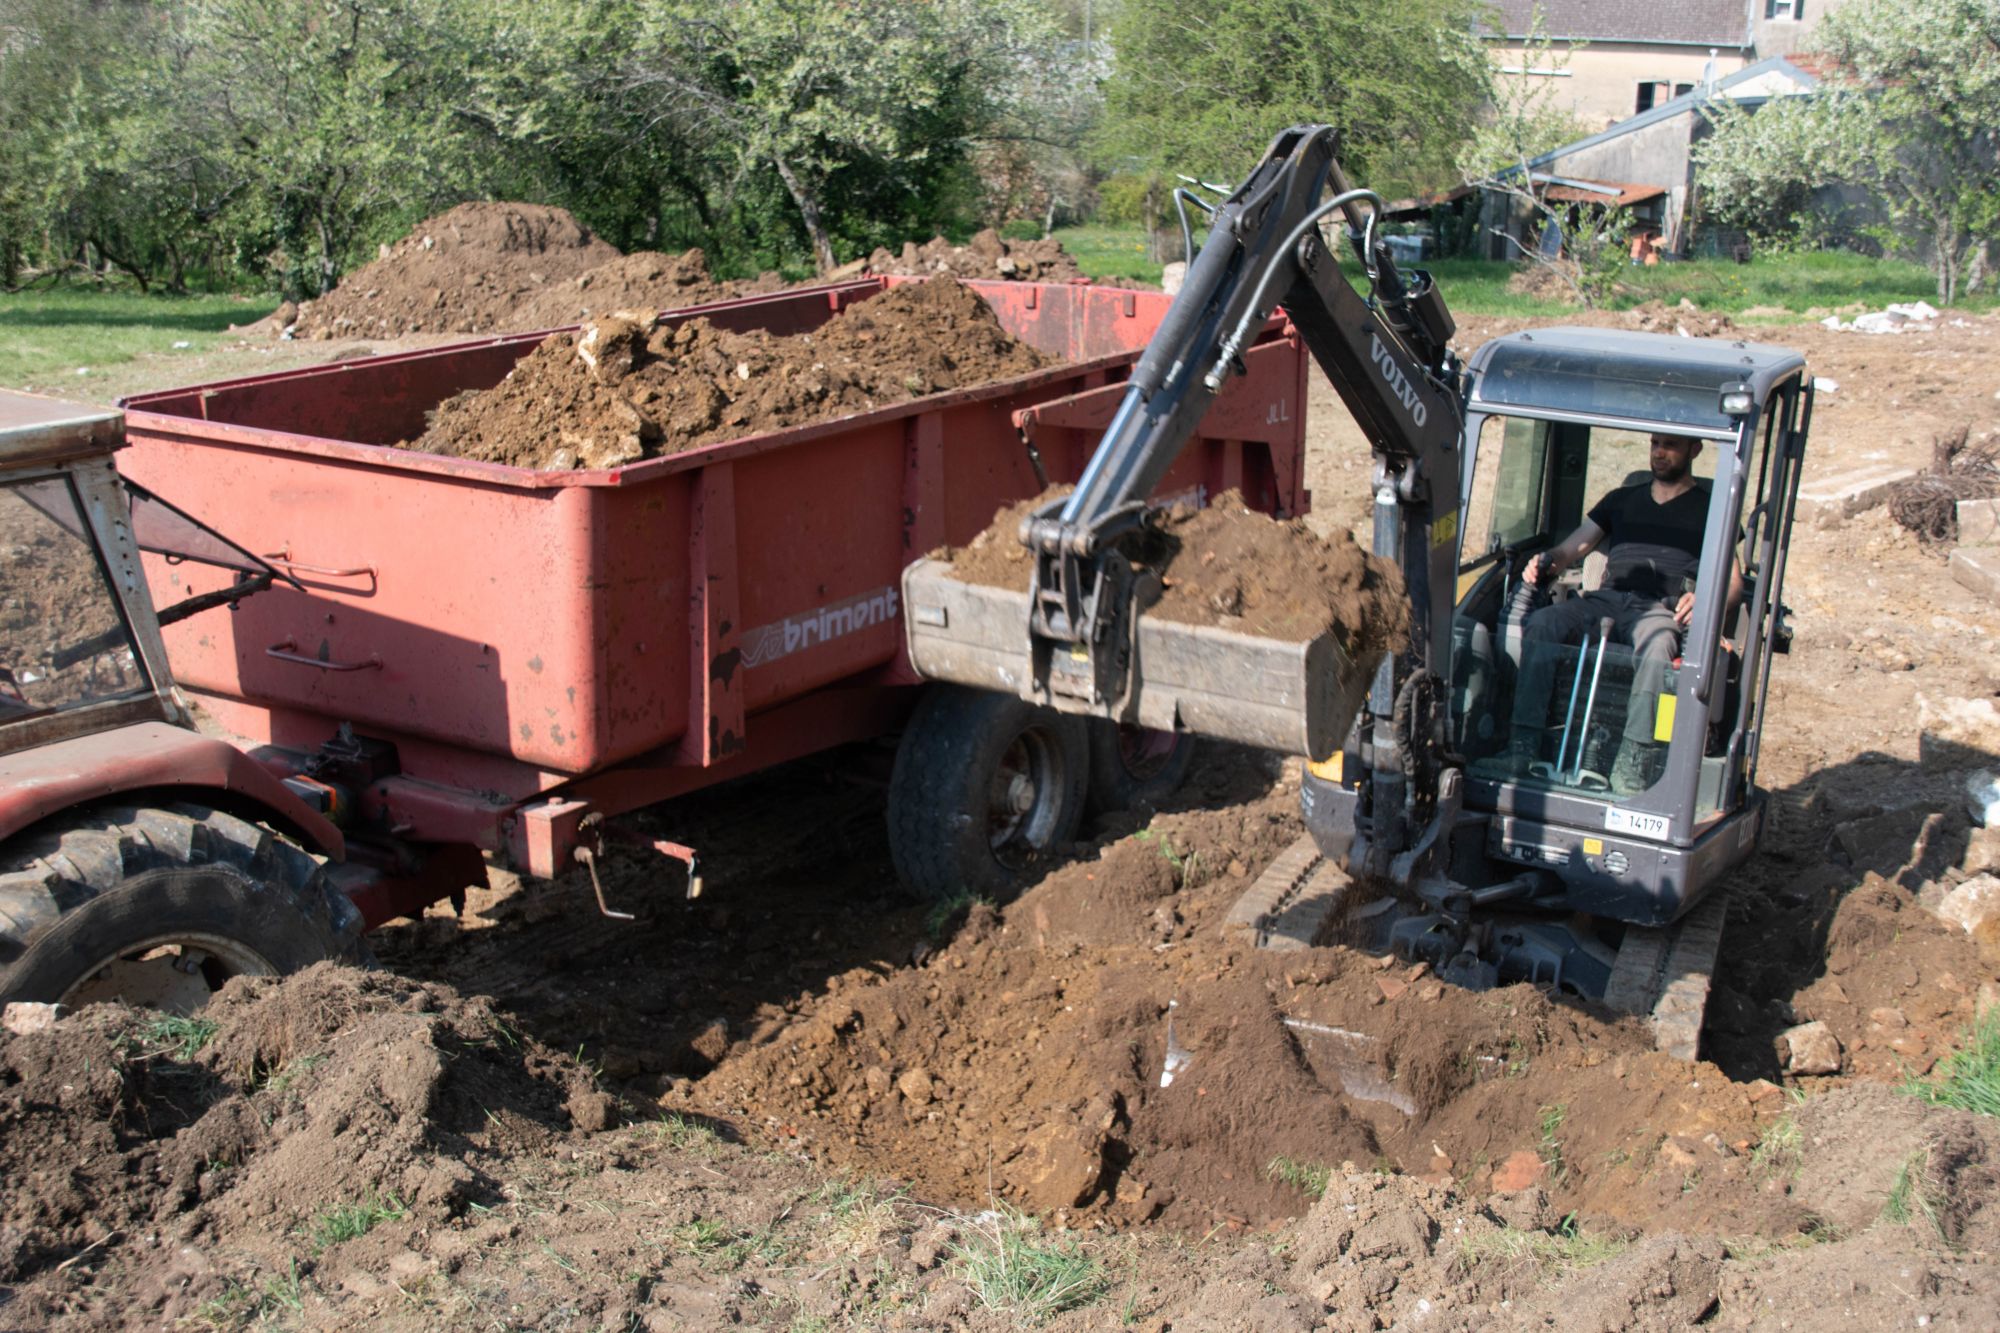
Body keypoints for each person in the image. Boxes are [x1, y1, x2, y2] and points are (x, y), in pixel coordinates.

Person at [1509, 433, 1743, 793]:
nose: (1659, 452)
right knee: (1543, 622)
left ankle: (1634, 760)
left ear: (1695, 450)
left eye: (1670, 445)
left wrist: (1706, 599)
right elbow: (1571, 549)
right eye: (1655, 444)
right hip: (1606, 600)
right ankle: (1522, 745)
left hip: (1659, 609)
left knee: (1659, 645)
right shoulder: (1621, 499)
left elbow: (1734, 583)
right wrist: (1546, 561)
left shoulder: (1711, 511)